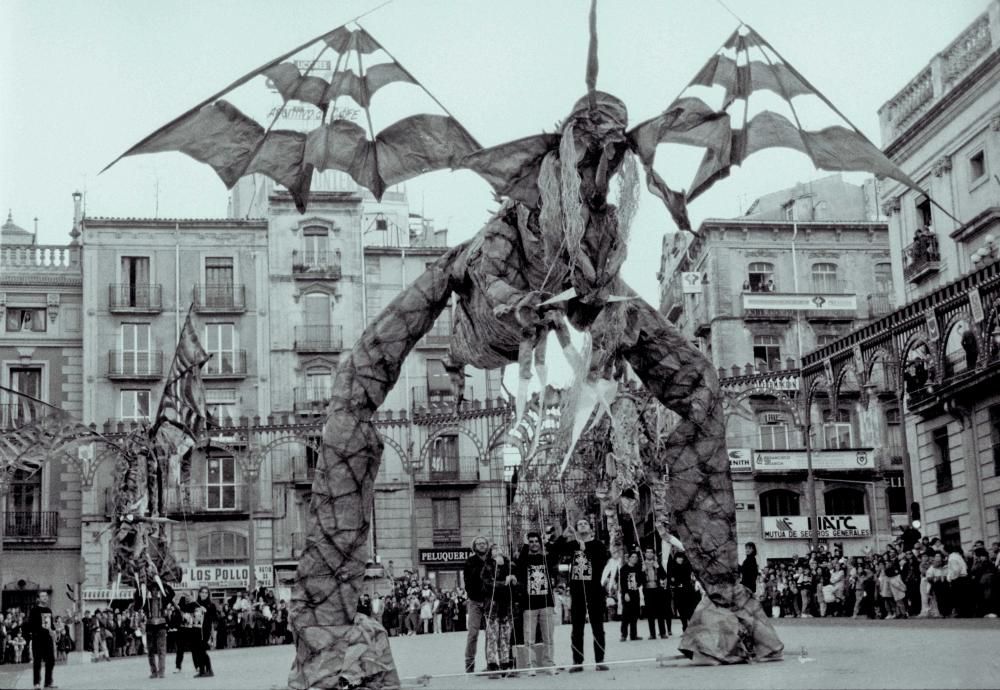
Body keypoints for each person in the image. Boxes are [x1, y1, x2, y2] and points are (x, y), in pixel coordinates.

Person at [549, 519, 610, 673]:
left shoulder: (598, 545)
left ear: (591, 528)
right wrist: (563, 536)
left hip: (594, 589)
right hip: (577, 589)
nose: (582, 525)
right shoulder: (572, 545)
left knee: (597, 625)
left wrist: (585, 552)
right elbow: (554, 552)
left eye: (585, 523)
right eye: (579, 524)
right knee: (577, 627)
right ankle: (577, 661)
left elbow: (602, 563)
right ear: (576, 530)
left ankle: (600, 660)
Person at [514, 531, 559, 675]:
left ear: (540, 543)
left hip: (546, 603)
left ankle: (549, 663)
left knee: (548, 637)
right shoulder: (525, 559)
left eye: (536, 541)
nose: (534, 544)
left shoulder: (546, 558)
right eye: (531, 541)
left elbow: (555, 555)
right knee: (529, 638)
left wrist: (549, 543)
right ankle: (530, 665)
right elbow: (519, 564)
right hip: (529, 605)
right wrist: (525, 545)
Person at [482, 544, 517, 678]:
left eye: (500, 548)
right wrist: (504, 582)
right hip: (493, 608)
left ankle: (505, 664)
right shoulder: (487, 567)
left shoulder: (510, 565)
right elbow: (488, 585)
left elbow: (517, 586)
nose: (498, 550)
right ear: (491, 553)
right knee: (492, 637)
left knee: (505, 638)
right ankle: (492, 666)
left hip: (507, 607)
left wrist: (514, 581)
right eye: (494, 549)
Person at [463, 535, 492, 673]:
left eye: (483, 543)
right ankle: (469, 663)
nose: (481, 545)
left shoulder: (492, 560)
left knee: (490, 633)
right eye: (478, 543)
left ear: (487, 545)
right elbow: (468, 583)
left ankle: (491, 662)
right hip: (475, 601)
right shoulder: (470, 561)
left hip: (490, 601)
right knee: (473, 633)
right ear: (474, 547)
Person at [28, 591, 56, 689]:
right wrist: (40, 627)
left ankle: (48, 682)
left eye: (46, 596)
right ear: (38, 599)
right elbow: (30, 625)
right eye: (42, 596)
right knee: (37, 661)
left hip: (47, 638)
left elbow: (51, 625)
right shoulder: (34, 610)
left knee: (51, 660)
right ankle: (36, 683)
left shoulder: (48, 610)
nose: (45, 597)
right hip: (38, 638)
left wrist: (53, 631)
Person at [641, 547, 670, 639]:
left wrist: (658, 567)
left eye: (651, 552)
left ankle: (662, 633)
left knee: (660, 612)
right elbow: (639, 579)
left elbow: (664, 576)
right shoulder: (641, 564)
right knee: (650, 613)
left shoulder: (657, 563)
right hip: (648, 590)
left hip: (657, 590)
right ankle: (652, 634)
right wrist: (642, 571)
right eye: (647, 552)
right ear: (645, 554)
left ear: (653, 554)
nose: (649, 554)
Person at [619, 551, 644, 641]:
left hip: (635, 593)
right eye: (633, 557)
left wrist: (642, 572)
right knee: (626, 615)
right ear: (629, 558)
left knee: (635, 615)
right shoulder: (624, 568)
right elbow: (622, 582)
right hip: (627, 593)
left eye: (636, 557)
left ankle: (633, 635)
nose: (634, 559)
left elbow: (641, 582)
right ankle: (623, 635)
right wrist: (625, 593)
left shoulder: (638, 568)